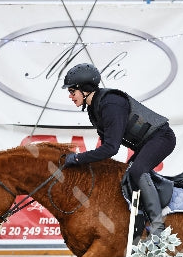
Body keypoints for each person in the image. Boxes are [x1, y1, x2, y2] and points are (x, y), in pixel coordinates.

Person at [61, 63, 176, 238]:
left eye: (72, 91)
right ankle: (138, 219)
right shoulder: (93, 109)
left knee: (137, 171)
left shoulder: (111, 103)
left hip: (162, 138)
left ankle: (159, 228)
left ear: (84, 89)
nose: (70, 96)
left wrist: (78, 159)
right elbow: (104, 146)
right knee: (124, 175)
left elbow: (110, 149)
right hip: (146, 143)